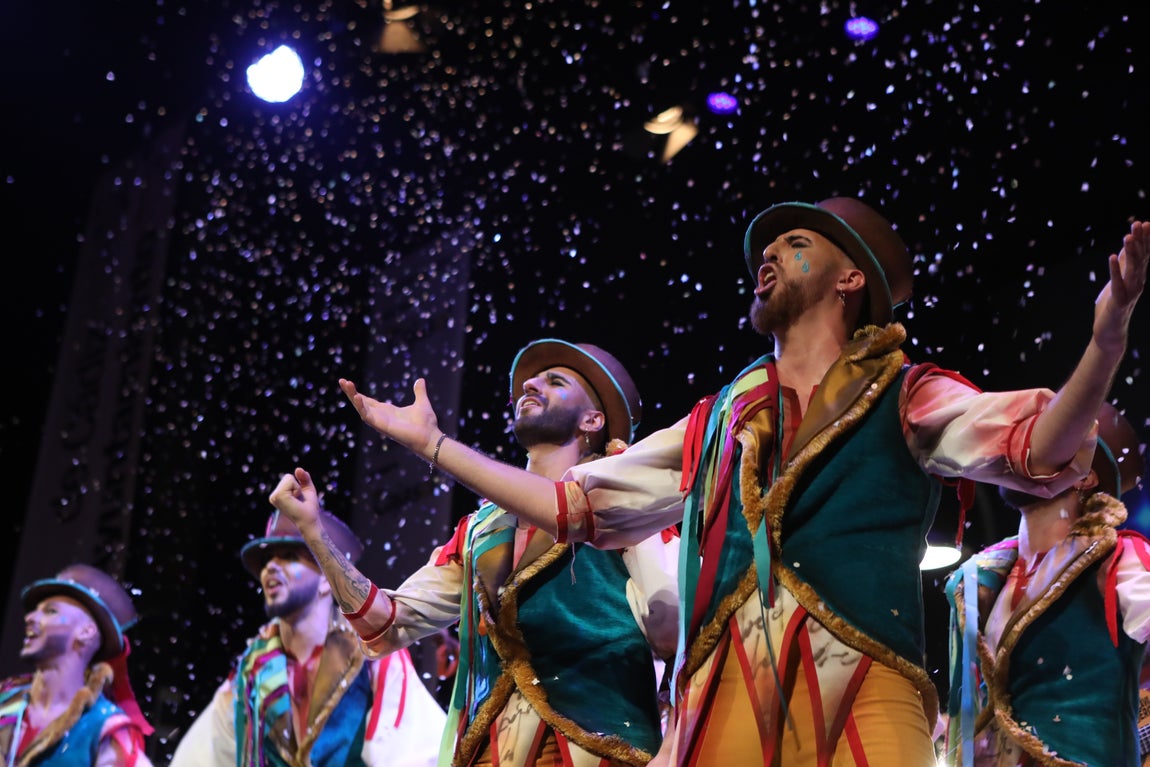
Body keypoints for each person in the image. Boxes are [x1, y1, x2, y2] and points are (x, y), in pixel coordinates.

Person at [334, 198, 1148, 765]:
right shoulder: (719, 418)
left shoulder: (905, 390)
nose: (769, 256)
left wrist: (1105, 341)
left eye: (796, 246)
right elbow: (573, 504)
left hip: (862, 679)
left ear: (848, 279)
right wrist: (437, 445)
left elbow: (1039, 442)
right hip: (725, 691)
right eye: (769, 246)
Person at [269, 339, 680, 767]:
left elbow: (678, 628)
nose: (531, 384)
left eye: (554, 381)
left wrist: (671, 747)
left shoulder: (624, 505)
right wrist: (312, 531)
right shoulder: (479, 532)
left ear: (593, 420)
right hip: (490, 753)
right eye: (528, 381)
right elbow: (384, 624)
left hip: (597, 751)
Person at [944, 401, 1148, 766]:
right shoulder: (977, 581)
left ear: (1086, 477)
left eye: (1046, 447)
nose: (1027, 456)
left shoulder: (1121, 561)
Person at [168, 509, 445, 767]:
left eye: (288, 556)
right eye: (266, 560)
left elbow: (415, 751)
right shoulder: (249, 672)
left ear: (328, 578)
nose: (270, 568)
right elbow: (202, 755)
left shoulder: (372, 655)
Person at [1, 563, 155, 767]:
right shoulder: (5, 700)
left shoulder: (106, 730)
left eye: (50, 611)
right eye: (35, 611)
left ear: (86, 632)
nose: (30, 618)